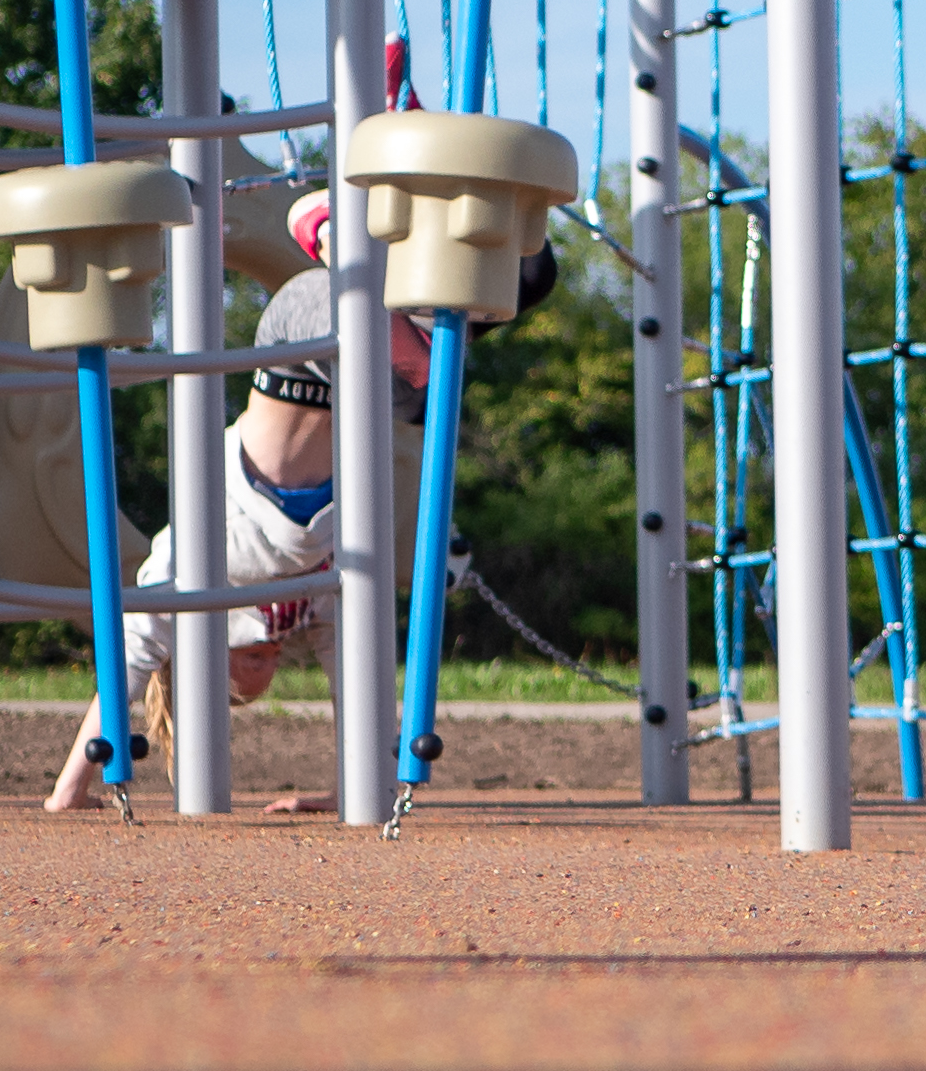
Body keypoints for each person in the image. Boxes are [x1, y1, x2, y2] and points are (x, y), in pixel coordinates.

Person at [40, 202, 548, 812]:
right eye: (274, 658)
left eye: (255, 652)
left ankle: (331, 235)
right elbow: (354, 673)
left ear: (211, 640)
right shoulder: (311, 589)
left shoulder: (196, 559)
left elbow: (129, 652)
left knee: (415, 372)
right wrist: (350, 789)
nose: (275, 645)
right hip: (347, 376)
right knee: (514, 293)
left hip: (290, 342)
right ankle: (437, 199)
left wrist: (71, 788)